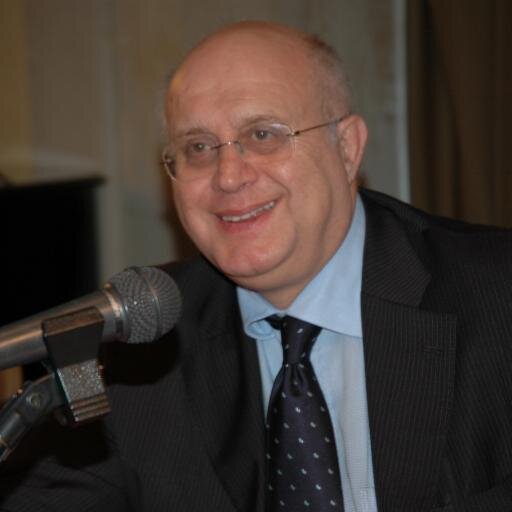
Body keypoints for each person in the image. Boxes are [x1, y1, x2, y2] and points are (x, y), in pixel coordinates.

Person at [1, 20, 511, 512]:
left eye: (264, 134)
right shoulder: (133, 351)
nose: (228, 176)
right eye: (198, 147)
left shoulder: (497, 294)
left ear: (348, 147)